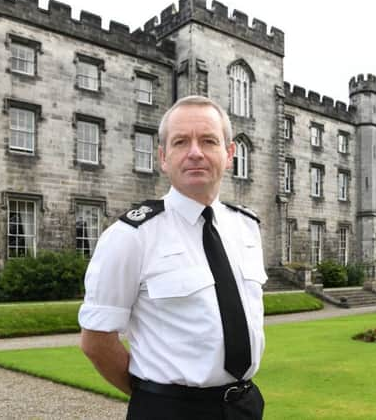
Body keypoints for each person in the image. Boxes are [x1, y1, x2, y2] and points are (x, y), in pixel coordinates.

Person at [78, 95, 268, 420]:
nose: (195, 152)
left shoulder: (246, 226)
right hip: (169, 410)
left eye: (208, 140)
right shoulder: (131, 236)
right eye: (181, 142)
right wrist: (155, 399)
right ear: (164, 158)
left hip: (245, 405)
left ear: (229, 154)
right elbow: (96, 341)